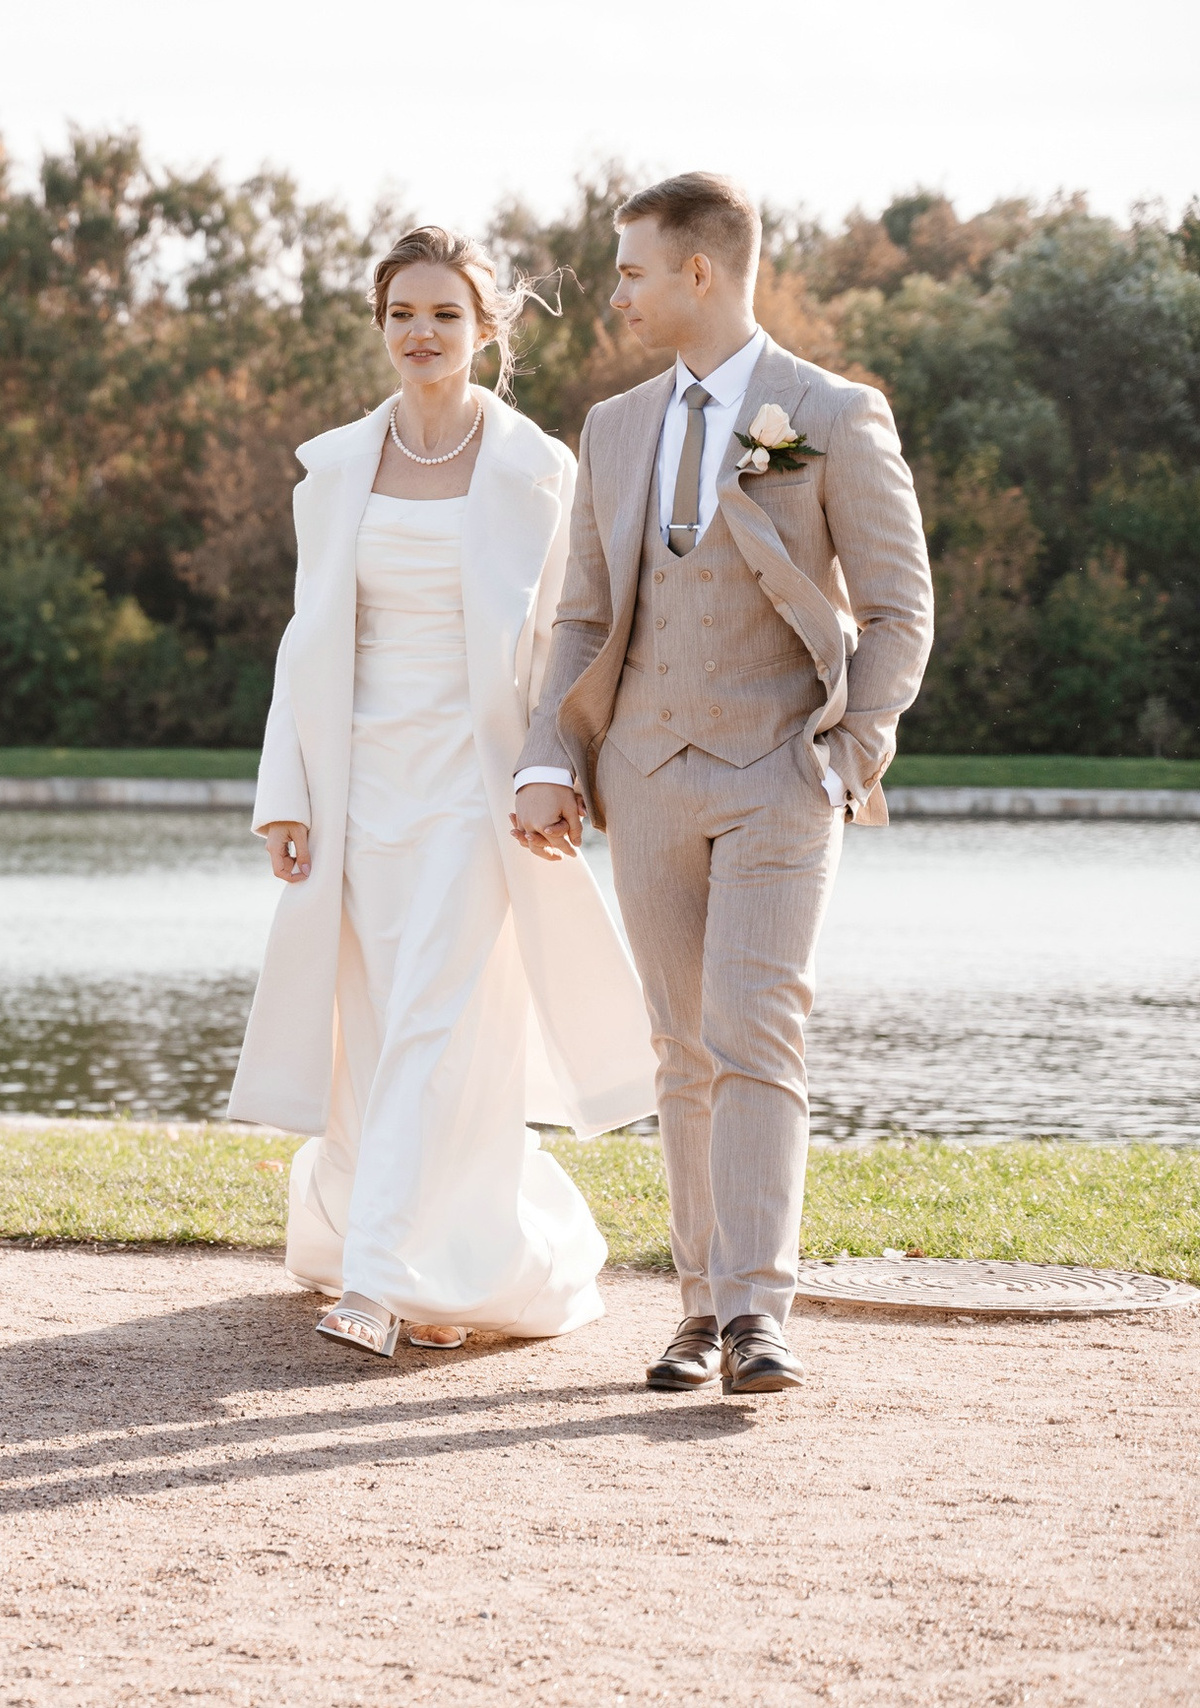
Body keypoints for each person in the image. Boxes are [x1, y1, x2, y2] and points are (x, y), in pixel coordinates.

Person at [512, 173, 933, 1395]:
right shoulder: (613, 425)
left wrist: (846, 753)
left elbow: (900, 610)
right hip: (644, 775)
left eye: (632, 269)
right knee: (678, 1047)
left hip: (779, 778)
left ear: (701, 271)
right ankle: (694, 1312)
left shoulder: (831, 414)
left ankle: (759, 1312)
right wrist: (554, 759)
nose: (617, 292)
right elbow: (582, 613)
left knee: (757, 1034)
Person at [228, 226, 658, 1359]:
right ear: (380, 328)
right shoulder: (332, 471)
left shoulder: (536, 471)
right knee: (375, 1028)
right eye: (400, 315)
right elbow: (304, 639)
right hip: (360, 785)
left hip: (479, 793)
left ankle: (372, 1282)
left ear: (485, 332)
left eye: (443, 316)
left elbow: (572, 637)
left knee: (431, 1014)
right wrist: (288, 793)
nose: (419, 335)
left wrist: (549, 767)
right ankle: (451, 1266)